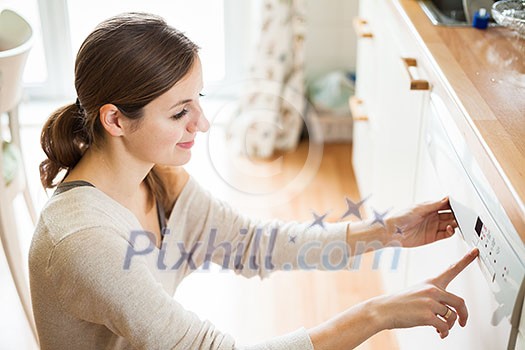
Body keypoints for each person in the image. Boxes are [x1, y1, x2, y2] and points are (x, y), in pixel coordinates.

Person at [29, 12, 479, 350]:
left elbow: (251, 243)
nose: (202, 125)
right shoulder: (83, 238)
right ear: (116, 120)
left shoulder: (159, 180)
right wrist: (378, 313)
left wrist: (385, 232)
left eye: (197, 101)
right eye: (179, 112)